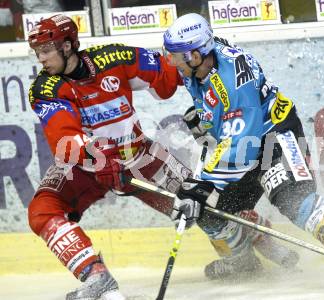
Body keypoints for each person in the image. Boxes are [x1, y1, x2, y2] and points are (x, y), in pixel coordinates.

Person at [27, 14, 299, 299]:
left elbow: (174, 71)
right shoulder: (45, 88)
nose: (41, 59)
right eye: (37, 53)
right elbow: (64, 138)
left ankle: (257, 240)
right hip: (87, 167)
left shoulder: (115, 58)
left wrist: (220, 86)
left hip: (138, 158)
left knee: (201, 201)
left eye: (46, 50)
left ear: (68, 45)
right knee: (42, 211)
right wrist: (97, 157)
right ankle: (97, 278)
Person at [163, 13, 324, 292]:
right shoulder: (203, 62)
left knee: (294, 200)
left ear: (195, 55)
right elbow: (226, 125)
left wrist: (201, 184)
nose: (172, 62)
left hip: (273, 136)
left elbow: (243, 143)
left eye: (176, 57)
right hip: (241, 141)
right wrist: (206, 123)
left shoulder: (231, 81)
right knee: (207, 210)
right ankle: (243, 266)